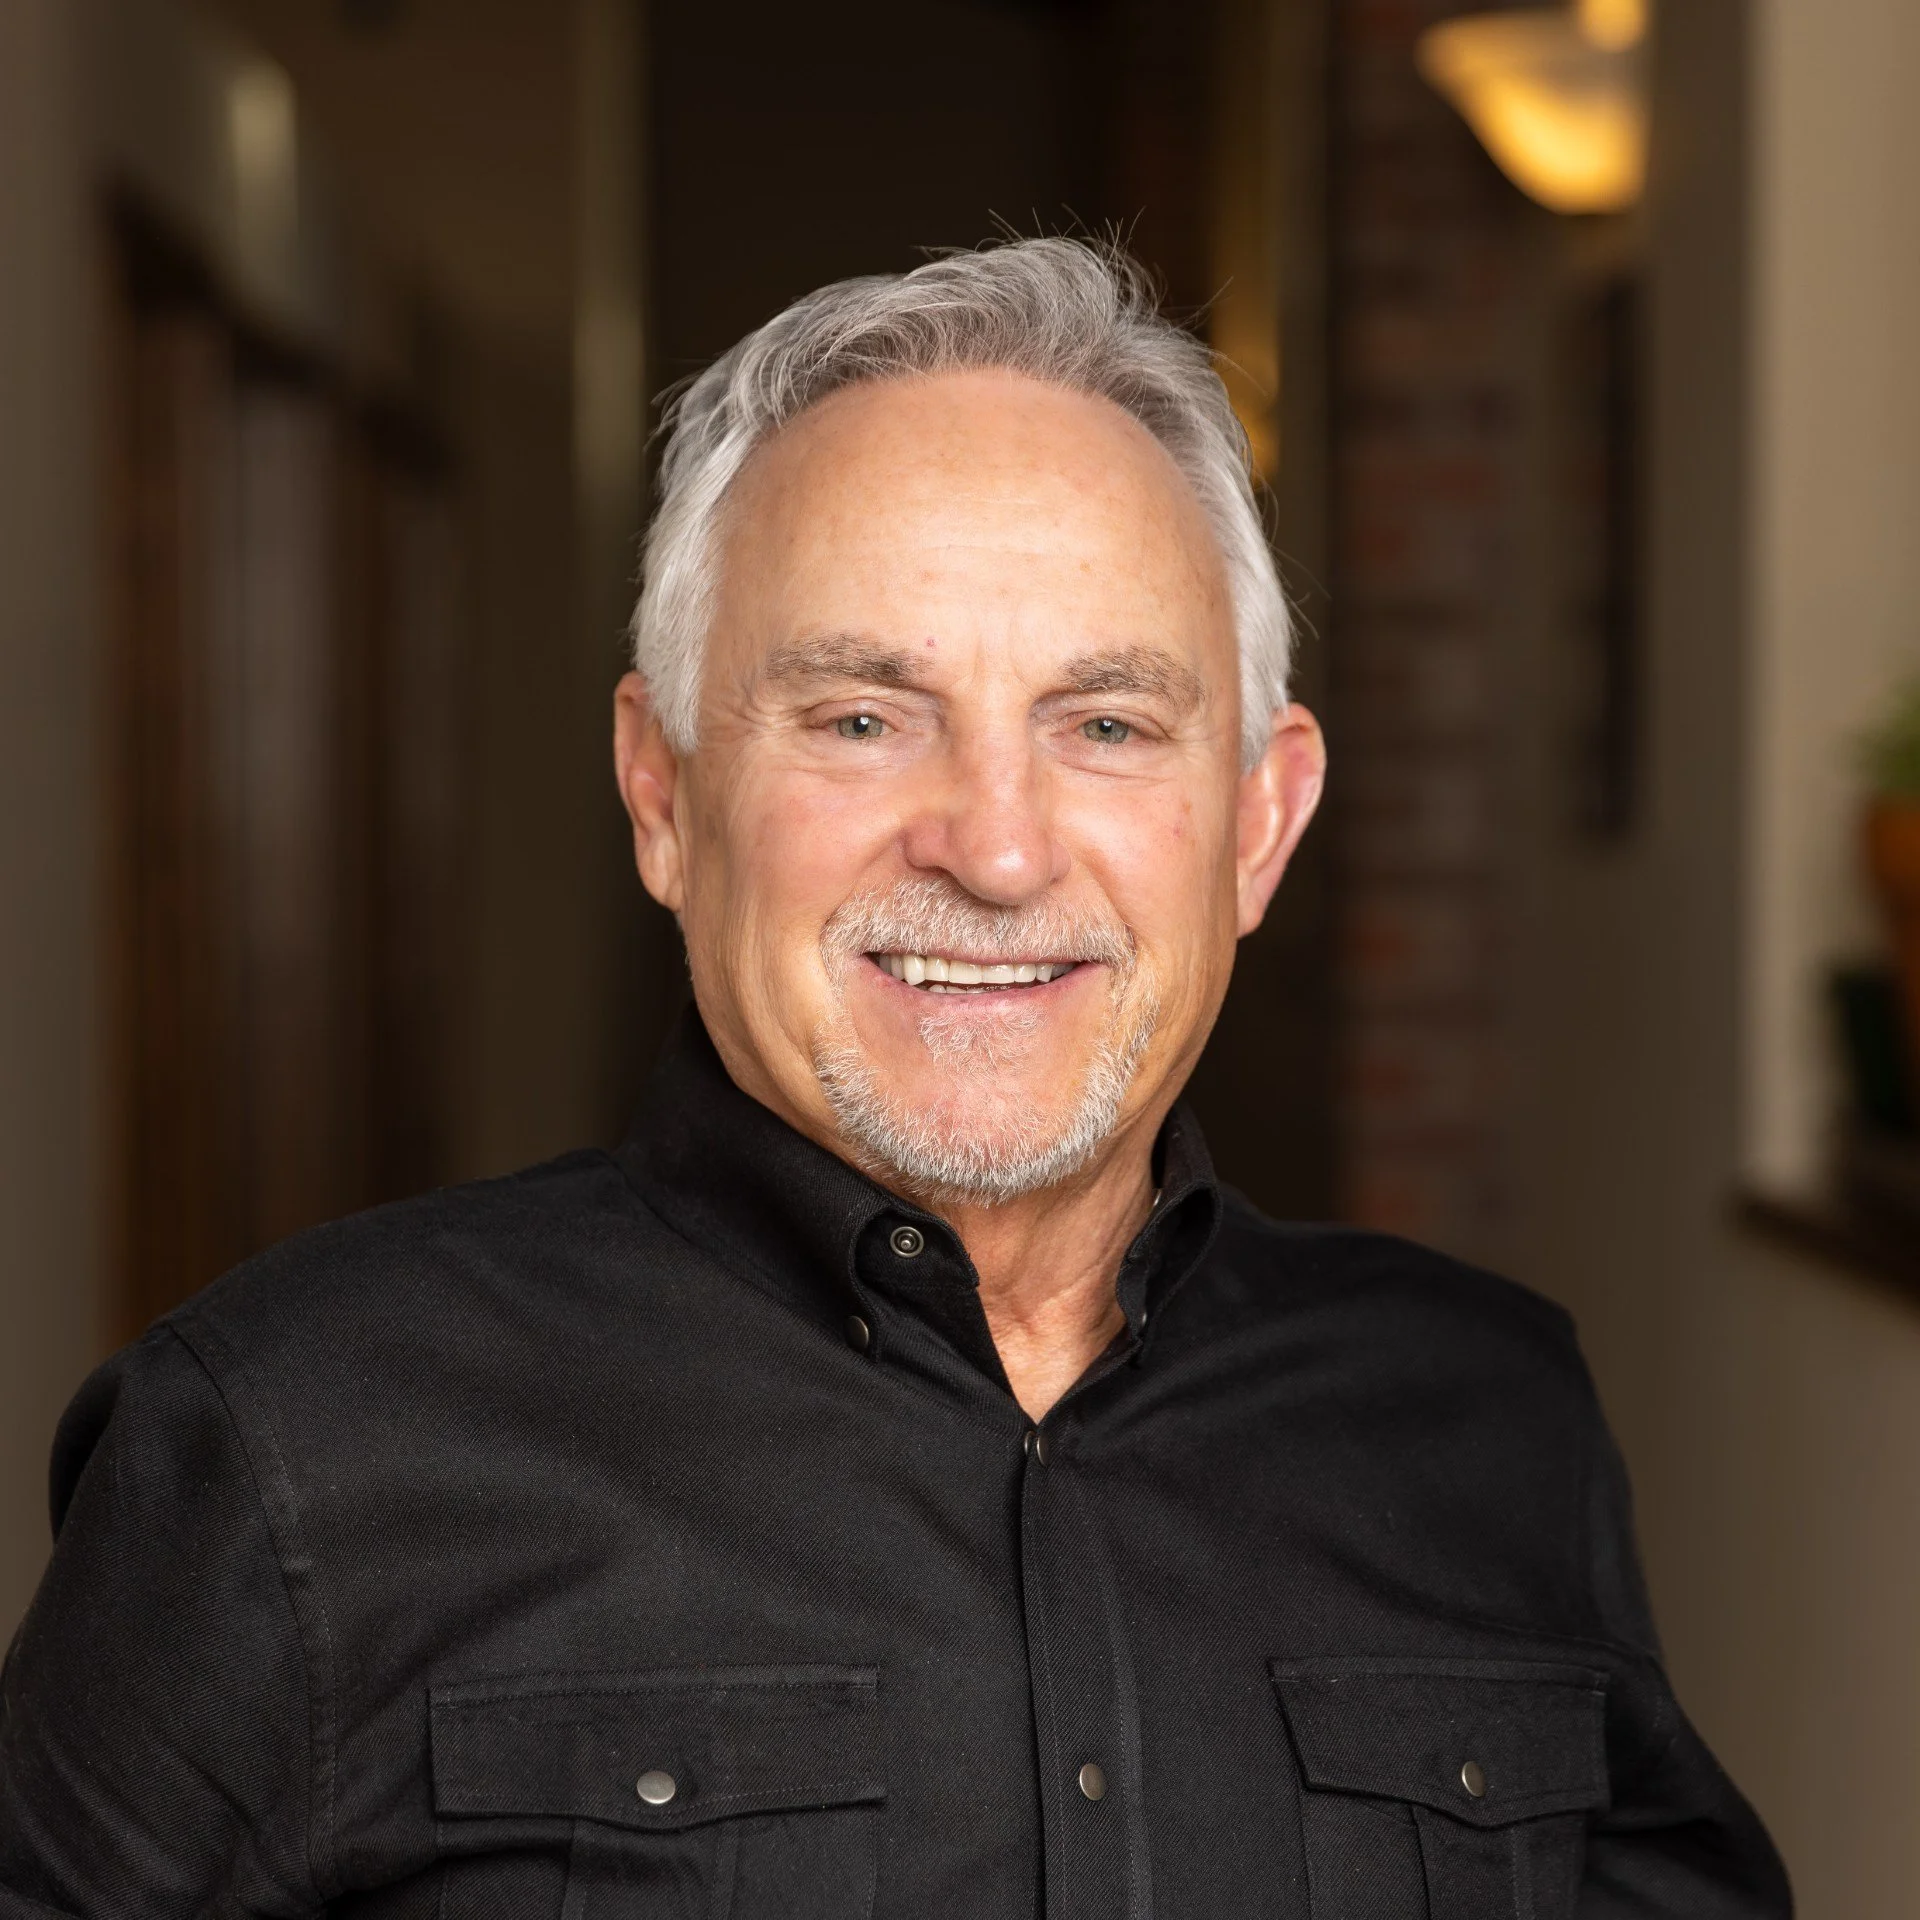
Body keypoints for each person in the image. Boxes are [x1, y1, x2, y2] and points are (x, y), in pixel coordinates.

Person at [0, 239, 1787, 1919]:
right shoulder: (282, 1448)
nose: (997, 850)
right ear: (661, 790)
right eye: (863, 717)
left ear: (1259, 819)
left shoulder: (1491, 1422)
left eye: (1106, 724)